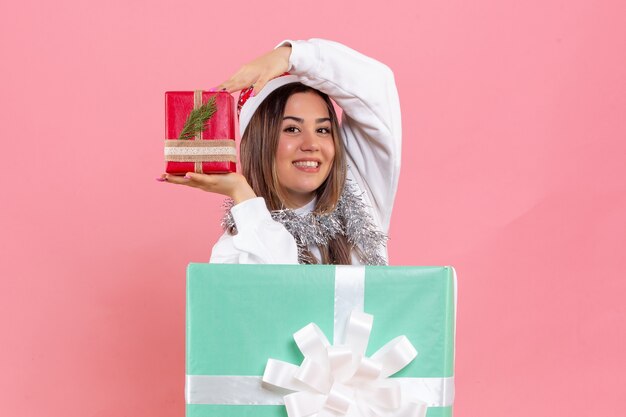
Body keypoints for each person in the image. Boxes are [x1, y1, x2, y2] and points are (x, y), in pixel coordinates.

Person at [158, 38, 401, 265]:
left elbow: (377, 84)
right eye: (292, 129)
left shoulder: (360, 196)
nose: (311, 144)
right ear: (260, 143)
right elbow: (285, 296)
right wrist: (242, 195)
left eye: (323, 130)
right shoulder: (236, 249)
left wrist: (291, 56)